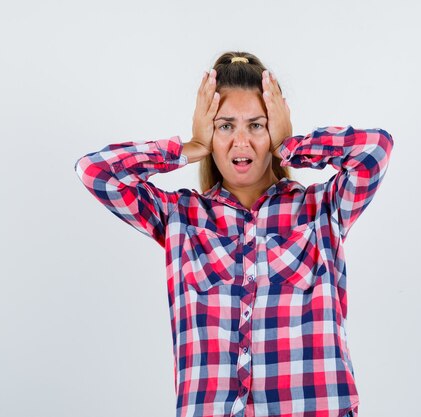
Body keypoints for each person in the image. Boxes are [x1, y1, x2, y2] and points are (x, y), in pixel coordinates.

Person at [74, 51, 393, 417]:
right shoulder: (180, 217)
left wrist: (291, 145)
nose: (241, 141)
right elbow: (94, 171)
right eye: (226, 125)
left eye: (256, 125)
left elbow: (375, 150)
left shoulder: (322, 209)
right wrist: (189, 148)